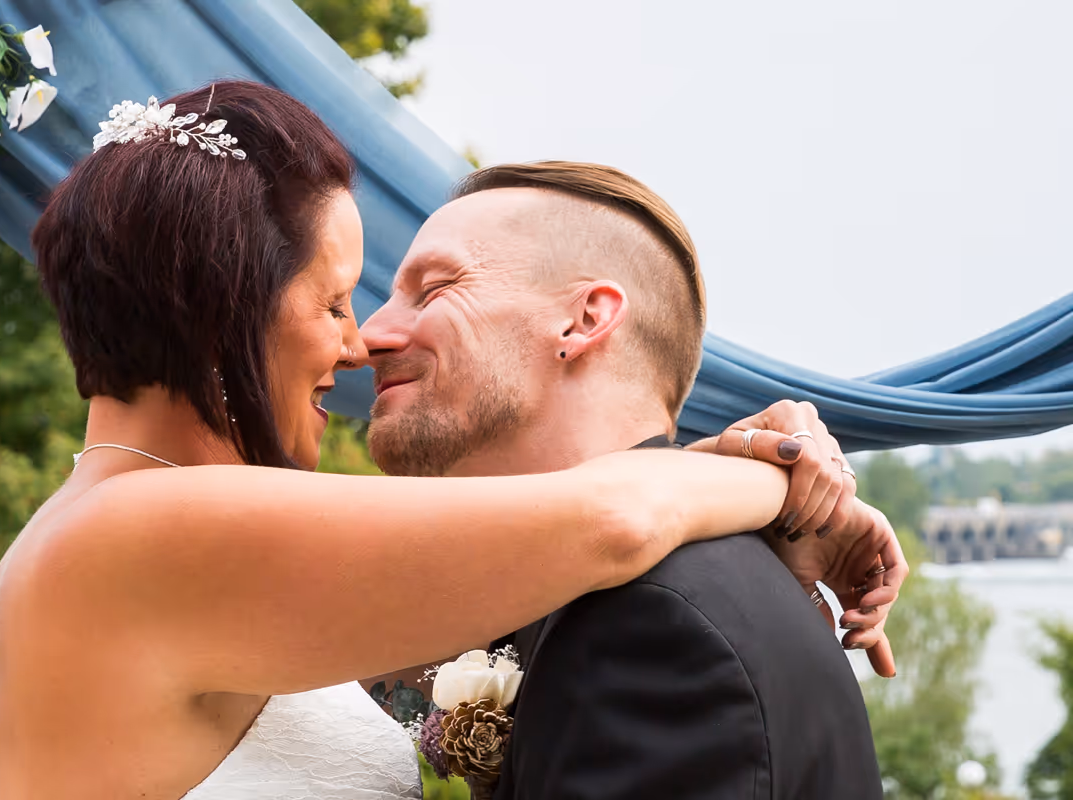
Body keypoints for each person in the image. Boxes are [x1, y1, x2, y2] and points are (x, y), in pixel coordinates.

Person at [0, 81, 895, 800]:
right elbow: (609, 523)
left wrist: (726, 486)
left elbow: (531, 564)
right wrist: (786, 486)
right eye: (334, 301)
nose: (356, 340)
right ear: (225, 306)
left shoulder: (129, 535)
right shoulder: (139, 532)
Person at [359, 161, 901, 798]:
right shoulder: (562, 593)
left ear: (586, 320)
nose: (370, 334)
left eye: (435, 290)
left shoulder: (648, 619)